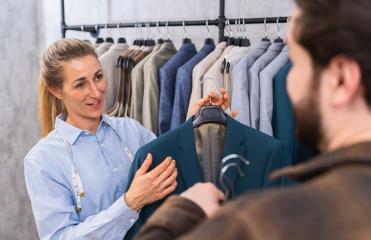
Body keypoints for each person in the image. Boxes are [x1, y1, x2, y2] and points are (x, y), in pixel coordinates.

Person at [134, 0, 371, 239]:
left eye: (297, 64)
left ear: (341, 79)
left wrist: (183, 211)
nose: (288, 82)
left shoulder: (260, 222)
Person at [24, 39, 232, 240]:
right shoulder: (43, 160)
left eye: (98, 77)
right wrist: (130, 203)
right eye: (81, 84)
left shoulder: (130, 129)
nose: (96, 92)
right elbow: (61, 237)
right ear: (56, 90)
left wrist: (199, 125)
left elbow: (171, 167)